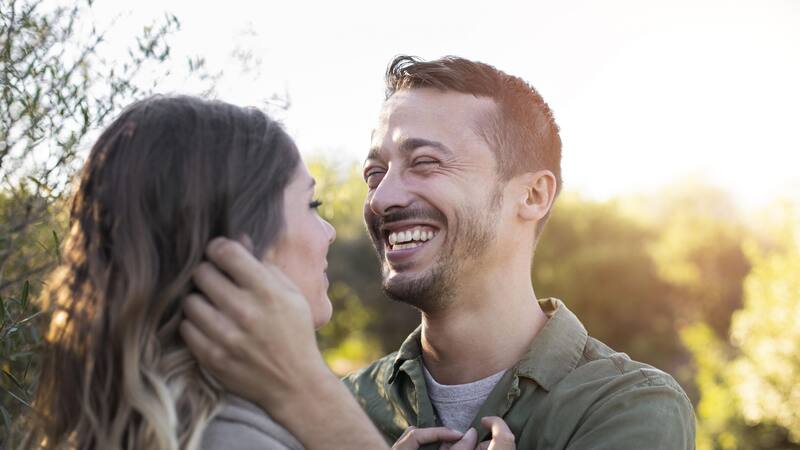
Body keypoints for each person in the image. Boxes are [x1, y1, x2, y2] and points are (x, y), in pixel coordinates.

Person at [181, 56, 696, 449]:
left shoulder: (629, 407)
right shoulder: (348, 402)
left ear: (532, 195)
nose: (381, 199)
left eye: (424, 163)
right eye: (374, 173)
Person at [22, 95, 468, 450]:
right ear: (237, 245)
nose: (329, 232)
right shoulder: (229, 437)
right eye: (310, 204)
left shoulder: (152, 418)